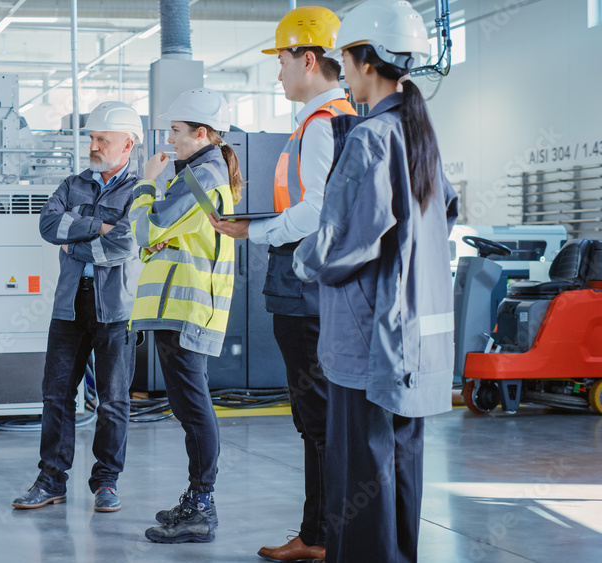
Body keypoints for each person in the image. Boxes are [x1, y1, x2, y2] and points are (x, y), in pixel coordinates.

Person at [292, 1, 459, 561]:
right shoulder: (422, 137)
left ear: (363, 62)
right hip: (415, 337)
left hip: (367, 341)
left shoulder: (369, 139)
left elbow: (344, 244)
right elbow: (439, 221)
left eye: (345, 57)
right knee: (399, 464)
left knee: (360, 472)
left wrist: (300, 260)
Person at [208, 7, 354, 562]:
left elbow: (316, 211)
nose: (278, 73)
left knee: (315, 415)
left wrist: (253, 230)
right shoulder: (333, 120)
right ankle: (321, 532)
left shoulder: (323, 125)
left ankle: (320, 536)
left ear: (309, 59)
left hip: (306, 285)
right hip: (317, 285)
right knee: (318, 414)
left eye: (283, 60)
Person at [12, 101, 144, 513]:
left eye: (102, 138)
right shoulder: (72, 184)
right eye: (92, 137)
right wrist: (102, 227)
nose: (94, 144)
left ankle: (106, 482)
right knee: (56, 395)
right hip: (69, 307)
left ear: (127, 144)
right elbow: (48, 226)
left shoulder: (141, 191)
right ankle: (51, 479)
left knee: (113, 400)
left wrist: (80, 240)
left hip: (117, 310)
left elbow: (125, 242)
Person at [128, 88, 241, 544]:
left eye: (176, 131)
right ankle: (197, 499)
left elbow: (148, 225)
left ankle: (201, 505)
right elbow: (164, 234)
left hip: (188, 307)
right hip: (181, 306)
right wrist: (160, 234)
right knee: (188, 407)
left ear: (201, 133)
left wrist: (144, 182)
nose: (169, 139)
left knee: (194, 409)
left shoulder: (200, 177)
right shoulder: (199, 173)